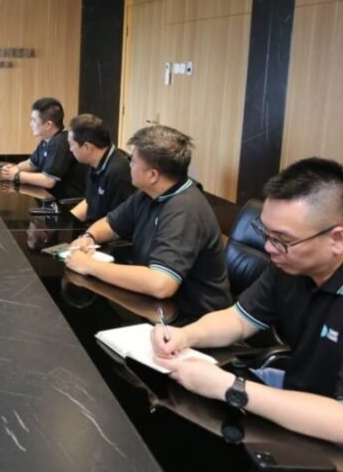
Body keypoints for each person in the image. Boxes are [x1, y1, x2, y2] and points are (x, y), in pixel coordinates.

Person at [151, 157, 343, 443]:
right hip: (292, 401)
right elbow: (239, 319)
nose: (268, 247)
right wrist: (185, 335)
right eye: (265, 232)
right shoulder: (288, 267)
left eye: (282, 239)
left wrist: (232, 387)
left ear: (337, 239)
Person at [66, 125, 231, 320]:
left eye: (133, 161)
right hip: (156, 309)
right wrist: (89, 236)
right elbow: (110, 223)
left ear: (152, 175)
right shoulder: (149, 193)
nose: (128, 165)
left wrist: (89, 266)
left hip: (193, 320)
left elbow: (161, 284)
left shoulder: (184, 210)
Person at [0, 98, 86, 199]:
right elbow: (31, 164)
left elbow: (48, 181)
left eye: (34, 120)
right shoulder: (47, 140)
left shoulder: (60, 143)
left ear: (48, 125)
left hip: (64, 202)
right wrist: (13, 169)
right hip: (48, 197)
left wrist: (17, 175)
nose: (30, 124)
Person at [67, 114, 136, 223]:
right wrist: (66, 222)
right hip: (95, 227)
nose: (70, 149)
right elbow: (89, 202)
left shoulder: (119, 173)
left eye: (71, 144)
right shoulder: (94, 163)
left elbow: (120, 222)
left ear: (87, 147)